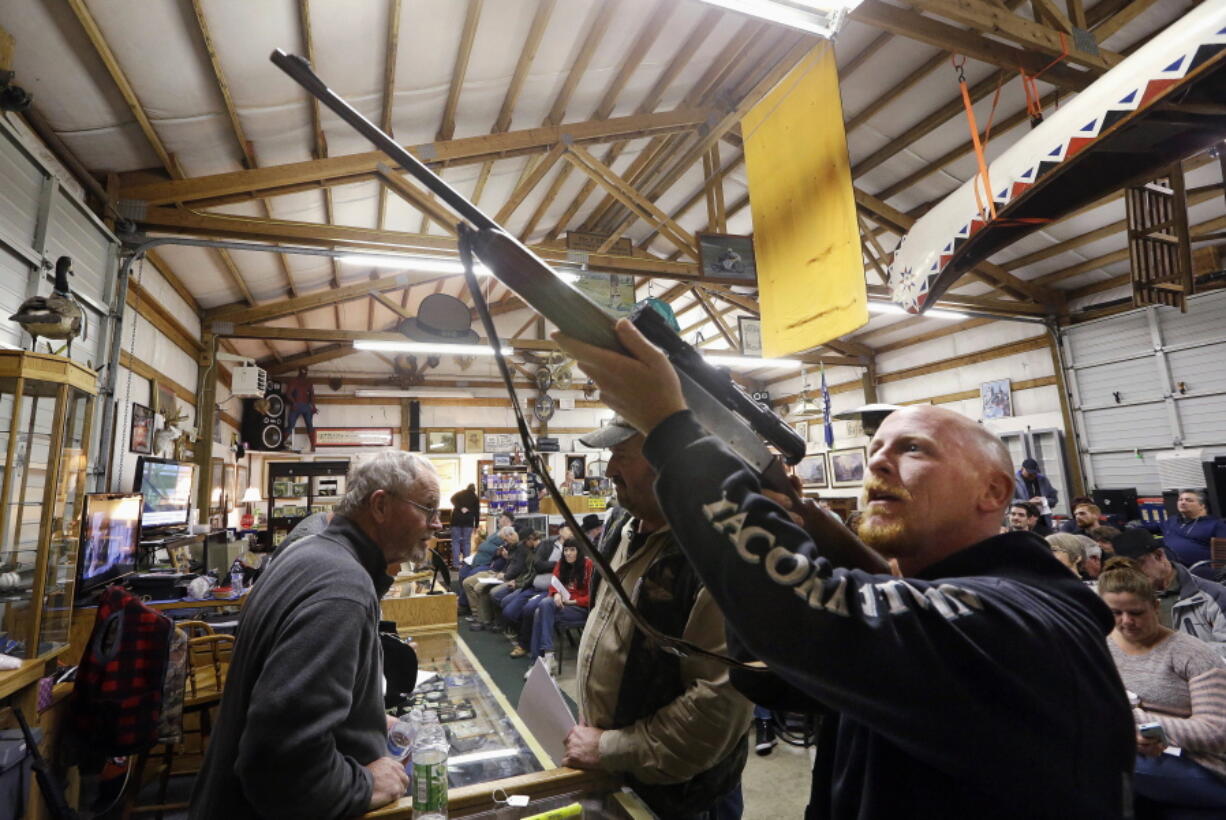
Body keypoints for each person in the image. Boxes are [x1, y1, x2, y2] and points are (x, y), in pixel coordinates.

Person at [555, 318, 1135, 818]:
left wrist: (671, 430)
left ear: (994, 491)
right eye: (877, 450)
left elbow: (807, 612)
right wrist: (789, 524)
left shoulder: (1023, 613)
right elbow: (771, 670)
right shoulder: (936, 602)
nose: (879, 463)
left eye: (914, 450)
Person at [190, 452, 440, 818]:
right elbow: (279, 764)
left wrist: (366, 717)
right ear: (381, 505)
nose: (436, 524)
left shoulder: (308, 552)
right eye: (428, 508)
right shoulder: (343, 588)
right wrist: (364, 785)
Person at [563, 415, 752, 818]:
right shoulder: (623, 522)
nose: (610, 470)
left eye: (621, 455)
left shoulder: (716, 555)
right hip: (621, 773)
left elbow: (716, 708)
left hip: (683, 798)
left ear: (674, 462)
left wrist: (607, 748)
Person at [1098, 557, 1226, 812]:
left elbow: (1216, 733)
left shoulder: (1192, 655)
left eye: (1136, 612)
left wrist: (1135, 720)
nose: (1126, 621)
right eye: (1115, 613)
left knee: (1110, 759)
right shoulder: (1098, 647)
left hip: (1203, 763)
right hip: (1141, 755)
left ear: (1156, 607)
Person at [1111, 528, 1226, 656]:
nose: (1134, 573)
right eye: (1127, 569)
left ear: (1159, 556)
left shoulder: (1213, 594)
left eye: (1139, 564)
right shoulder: (1128, 600)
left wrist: (1182, 653)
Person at [511, 539, 592, 674]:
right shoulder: (561, 564)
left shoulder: (589, 566)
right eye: (566, 550)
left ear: (579, 551)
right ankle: (546, 657)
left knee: (540, 611)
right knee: (543, 608)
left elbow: (594, 597)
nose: (568, 553)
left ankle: (540, 661)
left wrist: (574, 602)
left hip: (580, 608)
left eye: (572, 550)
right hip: (562, 606)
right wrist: (555, 594)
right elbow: (553, 585)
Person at [1144, 489, 1226, 572]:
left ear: (1202, 505)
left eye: (1189, 500)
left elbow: (1223, 554)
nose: (1182, 502)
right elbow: (1145, 529)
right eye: (1180, 500)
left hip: (1194, 570)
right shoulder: (1172, 520)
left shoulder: (1215, 524)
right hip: (1164, 564)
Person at [461, 526, 516, 621]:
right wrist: (497, 552)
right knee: (467, 582)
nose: (504, 541)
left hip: (502, 574)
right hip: (492, 571)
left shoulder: (517, 548)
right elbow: (487, 549)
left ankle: (483, 618)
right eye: (503, 539)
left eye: (505, 539)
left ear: (511, 536)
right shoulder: (503, 546)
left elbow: (515, 566)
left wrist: (507, 558)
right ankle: (476, 613)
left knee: (479, 587)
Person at [281, 367, 317, 449]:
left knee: (309, 425)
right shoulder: (294, 381)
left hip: (303, 406)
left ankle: (313, 445)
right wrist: (294, 403)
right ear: (299, 372)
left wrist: (314, 407)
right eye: (303, 372)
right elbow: (288, 394)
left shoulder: (308, 383)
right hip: (297, 405)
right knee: (291, 425)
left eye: (305, 372)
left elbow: (312, 396)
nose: (304, 374)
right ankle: (281, 443)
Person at [449, 483, 480, 567]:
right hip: (468, 522)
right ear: (474, 490)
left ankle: (455, 564)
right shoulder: (475, 498)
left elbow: (452, 499)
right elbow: (477, 513)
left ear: (467, 488)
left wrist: (460, 507)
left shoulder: (460, 493)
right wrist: (476, 525)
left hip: (456, 521)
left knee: (455, 542)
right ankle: (466, 564)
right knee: (467, 542)